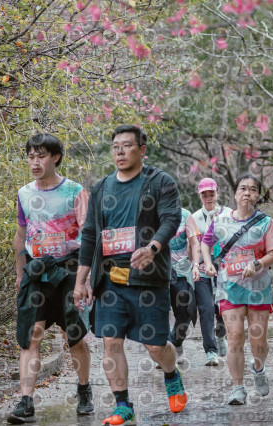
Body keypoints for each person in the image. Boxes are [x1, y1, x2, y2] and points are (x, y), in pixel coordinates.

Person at [73, 125, 187, 426]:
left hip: (148, 278)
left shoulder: (160, 182)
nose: (120, 151)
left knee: (156, 346)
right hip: (110, 279)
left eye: (126, 145)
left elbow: (171, 219)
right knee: (111, 342)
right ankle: (123, 405)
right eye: (115, 146)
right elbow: (90, 236)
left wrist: (152, 247)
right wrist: (81, 281)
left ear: (142, 150)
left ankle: (171, 373)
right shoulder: (102, 188)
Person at [10, 133, 93, 424]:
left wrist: (86, 280)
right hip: (37, 272)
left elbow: (89, 236)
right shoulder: (24, 194)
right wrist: (20, 272)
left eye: (41, 156)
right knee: (30, 335)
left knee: (74, 336)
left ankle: (84, 389)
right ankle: (26, 402)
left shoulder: (75, 191)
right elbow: (20, 234)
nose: (35, 162)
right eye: (31, 156)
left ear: (55, 157)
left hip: (70, 271)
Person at [201, 173, 273, 405]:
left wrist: (257, 263)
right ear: (235, 194)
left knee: (258, 340)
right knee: (235, 337)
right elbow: (205, 244)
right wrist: (208, 263)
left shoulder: (266, 222)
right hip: (229, 288)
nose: (247, 193)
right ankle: (238, 388)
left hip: (259, 288)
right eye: (242, 188)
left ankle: (258, 368)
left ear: (258, 196)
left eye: (252, 189)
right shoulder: (220, 220)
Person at [190, 178, 230, 361]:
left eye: (211, 194)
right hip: (202, 266)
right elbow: (192, 245)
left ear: (217, 193)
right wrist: (193, 265)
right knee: (206, 307)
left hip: (224, 267)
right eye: (204, 195)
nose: (208, 198)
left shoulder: (229, 214)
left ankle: (221, 335)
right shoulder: (194, 218)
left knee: (221, 306)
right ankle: (210, 350)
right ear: (200, 196)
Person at [166, 207, 205, 365]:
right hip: (161, 271)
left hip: (182, 270)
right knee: (160, 311)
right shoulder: (154, 212)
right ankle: (164, 349)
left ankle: (176, 342)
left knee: (186, 311)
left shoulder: (185, 215)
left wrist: (195, 265)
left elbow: (194, 243)